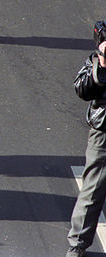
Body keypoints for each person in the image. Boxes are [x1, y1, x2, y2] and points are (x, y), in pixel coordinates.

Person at [65, 24, 106, 257]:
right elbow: (82, 90)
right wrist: (101, 66)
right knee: (92, 190)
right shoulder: (97, 60)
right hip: (103, 133)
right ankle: (78, 244)